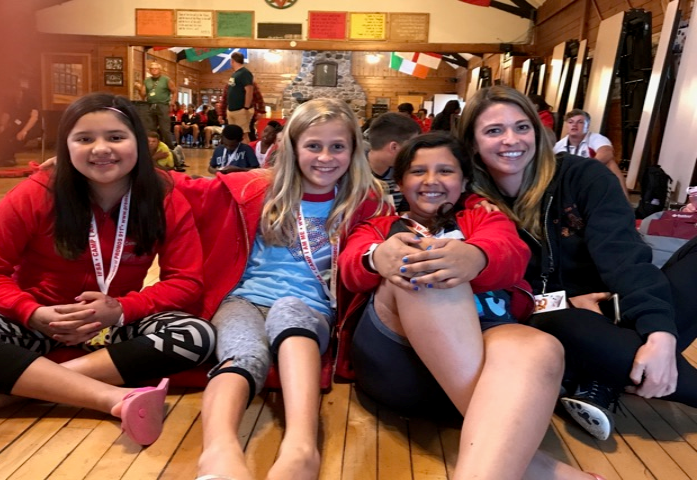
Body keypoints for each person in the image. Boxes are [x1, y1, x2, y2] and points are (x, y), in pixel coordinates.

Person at [337, 132, 605, 480]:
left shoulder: (484, 217)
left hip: (489, 349)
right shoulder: (379, 224)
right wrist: (375, 257)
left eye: (445, 171)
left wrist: (476, 256)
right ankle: (534, 461)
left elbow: (511, 253)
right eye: (418, 172)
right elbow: (349, 267)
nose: (431, 181)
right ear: (401, 180)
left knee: (541, 348)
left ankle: (508, 460)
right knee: (424, 268)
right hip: (397, 363)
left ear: (464, 180)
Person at [460, 85, 697, 442]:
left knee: (665, 292)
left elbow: (624, 257)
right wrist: (565, 301)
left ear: (538, 132)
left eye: (522, 127)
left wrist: (660, 334)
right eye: (494, 131)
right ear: (473, 143)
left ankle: (601, 380)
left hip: (615, 300)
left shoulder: (583, 177)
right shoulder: (473, 204)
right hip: (551, 316)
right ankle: (611, 372)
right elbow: (502, 299)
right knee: (573, 326)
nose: (512, 140)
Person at [0, 93, 216, 446]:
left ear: (141, 142)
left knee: (198, 335)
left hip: (116, 325)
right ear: (66, 147)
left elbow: (186, 281)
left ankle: (11, 392)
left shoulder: (163, 197)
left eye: (116, 137)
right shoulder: (36, 193)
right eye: (84, 139)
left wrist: (121, 309)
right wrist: (31, 312)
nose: (101, 148)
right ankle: (113, 399)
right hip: (37, 320)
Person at [189, 97, 388, 480]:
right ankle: (218, 451)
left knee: (289, 313)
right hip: (244, 299)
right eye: (313, 146)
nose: (325, 157)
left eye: (338, 146)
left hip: (309, 307)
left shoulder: (366, 201)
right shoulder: (257, 189)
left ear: (353, 151)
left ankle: (301, 446)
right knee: (241, 352)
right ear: (293, 147)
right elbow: (183, 187)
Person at [554, 109, 629, 198]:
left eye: (580, 122)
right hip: (569, 180)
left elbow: (607, 153)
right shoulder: (558, 146)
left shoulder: (596, 138)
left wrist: (584, 169)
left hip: (591, 177)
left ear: (588, 125)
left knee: (610, 164)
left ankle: (624, 201)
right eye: (570, 122)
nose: (574, 125)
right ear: (566, 126)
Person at [365, 112, 422, 211]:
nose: (414, 153)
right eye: (411, 148)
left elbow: (404, 211)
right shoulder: (353, 174)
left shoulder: (403, 172)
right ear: (394, 147)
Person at [0, 84, 40, 167]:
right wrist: (2, 126)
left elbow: (34, 117)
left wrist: (24, 131)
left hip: (31, 126)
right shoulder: (10, 100)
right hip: (17, 124)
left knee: (19, 138)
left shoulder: (30, 99)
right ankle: (2, 158)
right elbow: (6, 115)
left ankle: (9, 157)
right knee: (3, 135)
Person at [136, 62, 177, 149]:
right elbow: (143, 95)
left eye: (156, 68)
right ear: (149, 70)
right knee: (150, 128)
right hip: (150, 105)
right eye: (152, 69)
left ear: (160, 70)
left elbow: (174, 91)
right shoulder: (147, 81)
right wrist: (139, 88)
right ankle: (152, 147)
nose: (154, 70)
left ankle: (170, 147)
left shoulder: (166, 80)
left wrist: (172, 103)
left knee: (164, 129)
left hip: (163, 105)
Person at [224, 52, 254, 143]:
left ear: (232, 61)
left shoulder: (245, 73)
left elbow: (249, 90)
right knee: (233, 135)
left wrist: (246, 107)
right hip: (231, 109)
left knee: (243, 134)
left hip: (240, 109)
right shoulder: (235, 74)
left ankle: (245, 154)